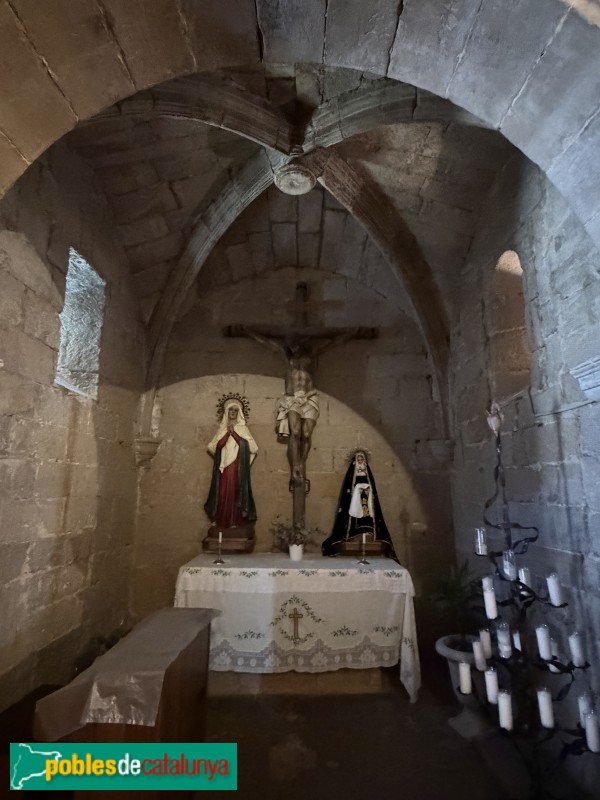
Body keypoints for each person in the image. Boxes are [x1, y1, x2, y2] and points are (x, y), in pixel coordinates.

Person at [322, 450, 395, 557]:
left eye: (362, 458)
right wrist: (357, 489)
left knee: (367, 517)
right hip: (356, 500)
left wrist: (367, 490)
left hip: (366, 499)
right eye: (359, 458)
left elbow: (372, 488)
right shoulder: (352, 473)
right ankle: (354, 535)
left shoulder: (367, 472)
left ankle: (369, 534)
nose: (360, 460)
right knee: (356, 518)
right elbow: (348, 490)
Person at [204, 398, 258, 531]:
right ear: (226, 412)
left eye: (235, 410)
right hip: (223, 467)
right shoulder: (222, 429)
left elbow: (254, 448)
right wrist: (226, 434)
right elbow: (213, 447)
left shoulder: (243, 429)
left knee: (235, 492)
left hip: (236, 466)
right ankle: (222, 520)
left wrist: (234, 433)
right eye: (230, 410)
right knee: (222, 493)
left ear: (239, 412)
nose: (233, 412)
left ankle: (236, 520)